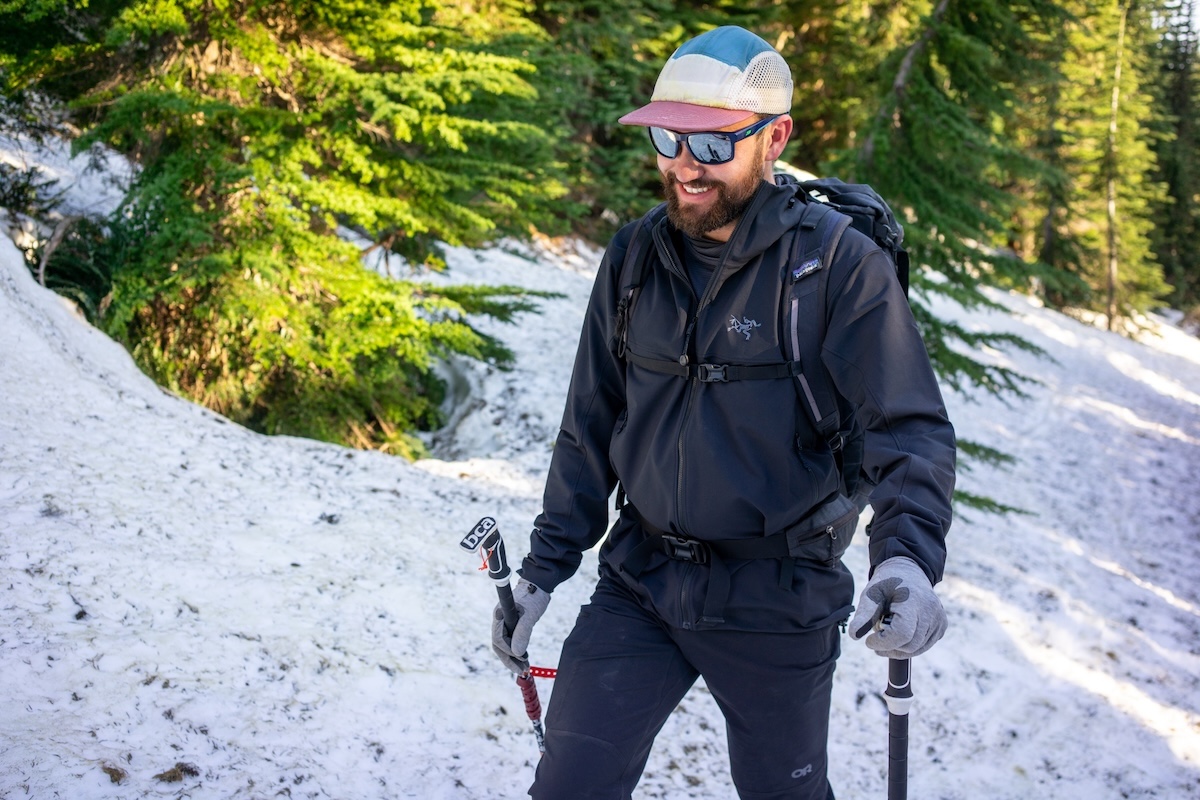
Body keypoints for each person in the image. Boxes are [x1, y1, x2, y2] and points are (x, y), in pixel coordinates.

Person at [491, 25, 956, 800]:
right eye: (668, 136)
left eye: (711, 142)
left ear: (774, 138)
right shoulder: (636, 254)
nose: (682, 163)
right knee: (569, 785)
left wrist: (906, 559)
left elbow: (908, 429)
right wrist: (543, 571)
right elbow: (591, 421)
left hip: (779, 595)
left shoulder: (837, 266)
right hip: (641, 581)